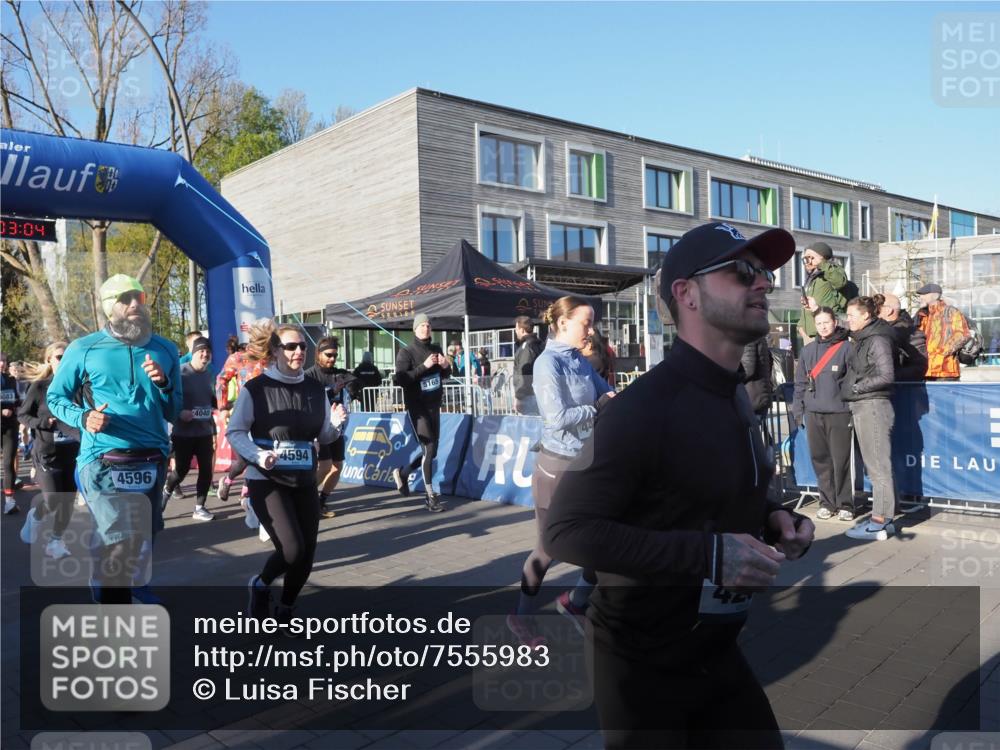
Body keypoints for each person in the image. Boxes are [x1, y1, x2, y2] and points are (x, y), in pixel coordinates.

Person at [544, 222, 814, 749]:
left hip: (716, 651)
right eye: (742, 272)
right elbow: (565, 531)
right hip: (642, 666)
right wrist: (710, 557)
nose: (762, 283)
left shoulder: (732, 393)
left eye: (764, 272)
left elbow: (709, 486)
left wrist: (773, 518)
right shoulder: (640, 409)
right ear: (686, 293)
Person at [47, 274, 181, 604]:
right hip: (103, 458)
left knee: (138, 540)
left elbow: (174, 410)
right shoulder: (84, 348)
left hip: (151, 457)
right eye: (125, 298)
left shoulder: (165, 349)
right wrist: (84, 417)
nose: (135, 303)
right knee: (119, 539)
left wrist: (163, 384)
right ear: (110, 308)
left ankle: (116, 586)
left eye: (139, 296)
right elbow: (55, 396)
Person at [507, 296, 613, 646]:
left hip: (587, 463)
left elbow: (606, 392)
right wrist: (597, 408)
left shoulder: (579, 361)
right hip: (556, 466)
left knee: (603, 537)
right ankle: (521, 618)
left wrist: (619, 400)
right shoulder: (547, 364)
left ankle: (576, 601)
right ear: (563, 323)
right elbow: (558, 419)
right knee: (548, 549)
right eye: (586, 323)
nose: (591, 330)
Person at [227, 321, 345, 622]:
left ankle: (286, 609)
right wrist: (257, 454)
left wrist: (337, 425)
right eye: (291, 346)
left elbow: (324, 436)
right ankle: (261, 585)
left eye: (302, 346)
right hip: (267, 480)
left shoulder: (315, 389)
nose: (298, 351)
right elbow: (235, 432)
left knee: (307, 553)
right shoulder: (256, 388)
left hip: (304, 478)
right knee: (292, 549)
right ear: (276, 351)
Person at [842, 295, 899, 541]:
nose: (848, 320)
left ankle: (879, 523)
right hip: (865, 406)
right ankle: (884, 520)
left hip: (873, 406)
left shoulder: (876, 338)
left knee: (878, 469)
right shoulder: (864, 338)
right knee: (877, 467)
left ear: (866, 315)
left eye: (852, 315)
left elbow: (887, 375)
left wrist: (857, 388)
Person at [17, 343, 80, 557]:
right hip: (47, 453)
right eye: (60, 357)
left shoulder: (77, 387)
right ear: (49, 361)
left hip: (72, 452)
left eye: (68, 356)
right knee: (53, 500)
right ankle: (35, 516)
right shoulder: (40, 387)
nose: (64, 360)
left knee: (68, 502)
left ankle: (55, 541)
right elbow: (23, 415)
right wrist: (44, 422)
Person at [792, 308, 855, 521]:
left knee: (841, 461)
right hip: (813, 413)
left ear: (835, 322)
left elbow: (853, 380)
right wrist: (798, 411)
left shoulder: (847, 347)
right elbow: (800, 383)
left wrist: (850, 407)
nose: (823, 327)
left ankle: (846, 504)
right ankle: (827, 503)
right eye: (819, 324)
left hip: (839, 413)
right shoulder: (808, 351)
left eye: (826, 322)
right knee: (820, 460)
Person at [392, 314, 451, 512]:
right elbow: (401, 379)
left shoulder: (436, 349)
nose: (426, 328)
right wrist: (423, 366)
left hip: (434, 406)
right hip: (417, 408)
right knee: (429, 447)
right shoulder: (406, 352)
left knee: (431, 453)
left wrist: (446, 366)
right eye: (422, 325)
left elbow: (445, 375)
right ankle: (430, 495)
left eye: (428, 325)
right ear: (415, 329)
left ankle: (403, 473)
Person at [162, 336, 217, 520]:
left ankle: (199, 508)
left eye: (208, 351)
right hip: (183, 432)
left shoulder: (210, 374)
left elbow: (211, 402)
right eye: (201, 351)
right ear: (193, 353)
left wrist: (214, 416)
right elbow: (167, 400)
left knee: (207, 470)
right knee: (181, 470)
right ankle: (167, 489)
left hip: (204, 431)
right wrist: (179, 413)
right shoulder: (180, 373)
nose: (205, 354)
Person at [304, 335, 358, 517]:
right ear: (318, 354)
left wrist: (353, 386)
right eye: (328, 355)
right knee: (325, 466)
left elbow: (358, 381)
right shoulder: (309, 375)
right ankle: (305, 498)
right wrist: (331, 391)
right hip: (319, 429)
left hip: (337, 429)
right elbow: (308, 400)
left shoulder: (339, 373)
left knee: (337, 467)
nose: (332, 359)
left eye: (335, 355)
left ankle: (320, 502)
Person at [216, 330, 269, 504]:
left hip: (267, 416)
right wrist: (222, 407)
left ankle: (247, 494)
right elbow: (221, 379)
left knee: (259, 456)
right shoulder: (239, 358)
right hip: (243, 414)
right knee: (244, 459)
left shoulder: (275, 358)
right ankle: (228, 481)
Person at [914, 283, 970, 381]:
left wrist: (940, 354)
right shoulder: (921, 315)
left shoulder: (951, 312)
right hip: (924, 370)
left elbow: (962, 335)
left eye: (924, 294)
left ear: (935, 295)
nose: (920, 297)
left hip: (945, 371)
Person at [798, 240, 849, 343]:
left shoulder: (831, 270)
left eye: (809, 258)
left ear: (820, 257)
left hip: (828, 335)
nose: (806, 262)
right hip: (810, 336)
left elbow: (840, 282)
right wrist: (801, 327)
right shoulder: (813, 278)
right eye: (804, 259)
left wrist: (822, 264)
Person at [878, 292, 927, 381]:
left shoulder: (910, 333)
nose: (872, 311)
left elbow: (919, 367)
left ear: (888, 310)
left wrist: (888, 376)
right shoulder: (875, 330)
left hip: (900, 388)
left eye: (877, 307)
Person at [1, 353, 23, 513]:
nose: (2, 363)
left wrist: (20, 407)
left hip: (10, 426)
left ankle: (9, 501)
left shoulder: (10, 380)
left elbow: (16, 400)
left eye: (4, 361)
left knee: (9, 462)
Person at [512, 316, 544, 415]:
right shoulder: (538, 344)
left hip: (528, 396)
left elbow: (524, 373)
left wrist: (519, 397)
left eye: (516, 329)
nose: (515, 332)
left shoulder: (526, 347)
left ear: (522, 330)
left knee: (528, 426)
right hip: (536, 393)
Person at [741, 335, 774, 419]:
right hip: (757, 396)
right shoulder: (756, 336)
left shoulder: (748, 337)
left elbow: (747, 369)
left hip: (752, 398)